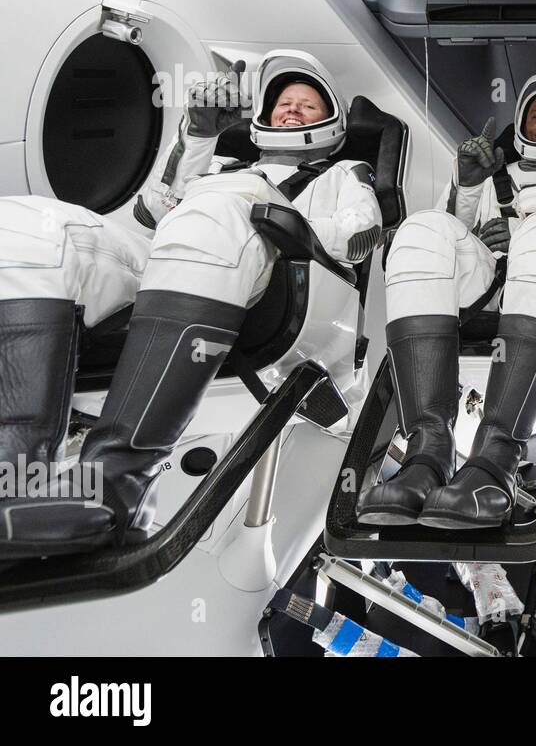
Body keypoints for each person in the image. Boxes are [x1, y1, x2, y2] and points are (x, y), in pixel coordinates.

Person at [0, 50, 381, 555]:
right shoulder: (222, 166)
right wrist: (199, 134)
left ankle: (118, 487)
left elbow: (362, 233)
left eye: (307, 105)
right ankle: (15, 478)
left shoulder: (341, 174)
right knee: (32, 228)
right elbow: (149, 216)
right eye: (284, 102)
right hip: (169, 258)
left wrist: (277, 215)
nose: (292, 109)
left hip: (274, 280)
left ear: (330, 124)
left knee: (218, 211)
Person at [360, 74, 536, 529]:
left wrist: (528, 229)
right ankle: (427, 454)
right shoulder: (491, 178)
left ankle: (496, 462)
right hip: (486, 289)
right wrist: (467, 186)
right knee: (420, 229)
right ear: (522, 123)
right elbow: (450, 237)